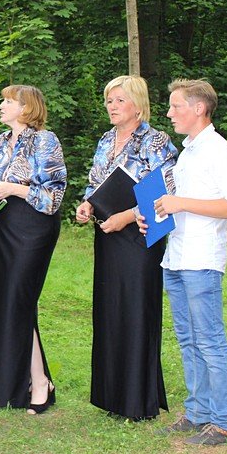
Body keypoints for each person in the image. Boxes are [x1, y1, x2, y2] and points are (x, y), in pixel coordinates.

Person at [141, 78, 227, 447]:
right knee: (188, 341)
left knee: (210, 341)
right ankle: (198, 412)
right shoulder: (188, 152)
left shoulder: (219, 152)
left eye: (176, 107)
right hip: (176, 257)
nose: (169, 113)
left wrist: (180, 203)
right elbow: (178, 201)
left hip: (202, 260)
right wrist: (155, 210)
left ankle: (223, 422)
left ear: (198, 108)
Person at [75, 76, 178, 421]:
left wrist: (126, 216)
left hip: (139, 235)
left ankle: (137, 400)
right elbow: (95, 182)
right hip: (107, 234)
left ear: (137, 104)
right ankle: (113, 397)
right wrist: (87, 204)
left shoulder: (156, 141)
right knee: (110, 311)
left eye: (119, 100)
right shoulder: (106, 140)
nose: (112, 107)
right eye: (108, 101)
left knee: (135, 311)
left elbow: (167, 190)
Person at [0, 85, 66, 413]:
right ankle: (23, 381)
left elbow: (54, 197)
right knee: (8, 302)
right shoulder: (0, 141)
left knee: (20, 299)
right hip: (2, 226)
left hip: (33, 227)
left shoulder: (46, 140)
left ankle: (39, 382)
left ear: (26, 107)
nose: (1, 105)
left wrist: (14, 189)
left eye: (7, 101)